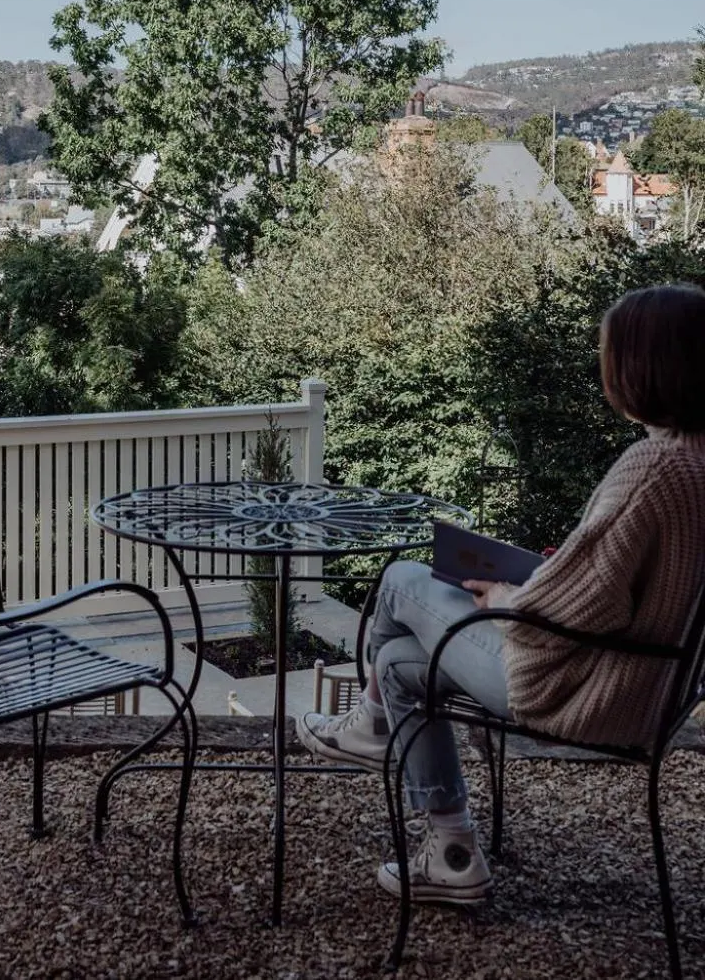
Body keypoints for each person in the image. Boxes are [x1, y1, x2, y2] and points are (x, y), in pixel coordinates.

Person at [296, 283, 705, 904]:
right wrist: (539, 581)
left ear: (639, 368)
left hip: (585, 692)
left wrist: (508, 599)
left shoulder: (656, 467)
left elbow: (574, 607)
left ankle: (373, 726)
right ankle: (453, 852)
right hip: (653, 690)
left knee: (403, 579)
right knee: (400, 666)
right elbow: (617, 584)